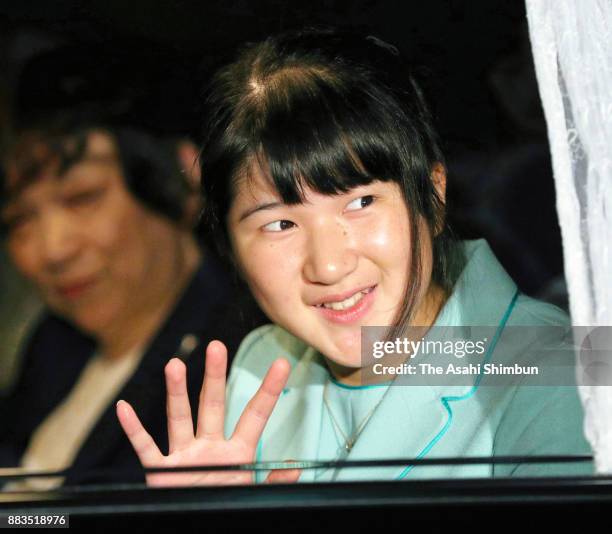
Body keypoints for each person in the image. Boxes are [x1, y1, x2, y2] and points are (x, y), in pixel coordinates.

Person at [115, 28, 592, 486]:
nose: (328, 265)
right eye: (280, 224)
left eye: (360, 203)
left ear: (432, 193)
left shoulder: (566, 370)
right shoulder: (261, 365)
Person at [0, 116, 263, 488]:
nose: (53, 249)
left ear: (180, 184)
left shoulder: (250, 344)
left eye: (82, 198)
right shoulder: (53, 342)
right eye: (19, 219)